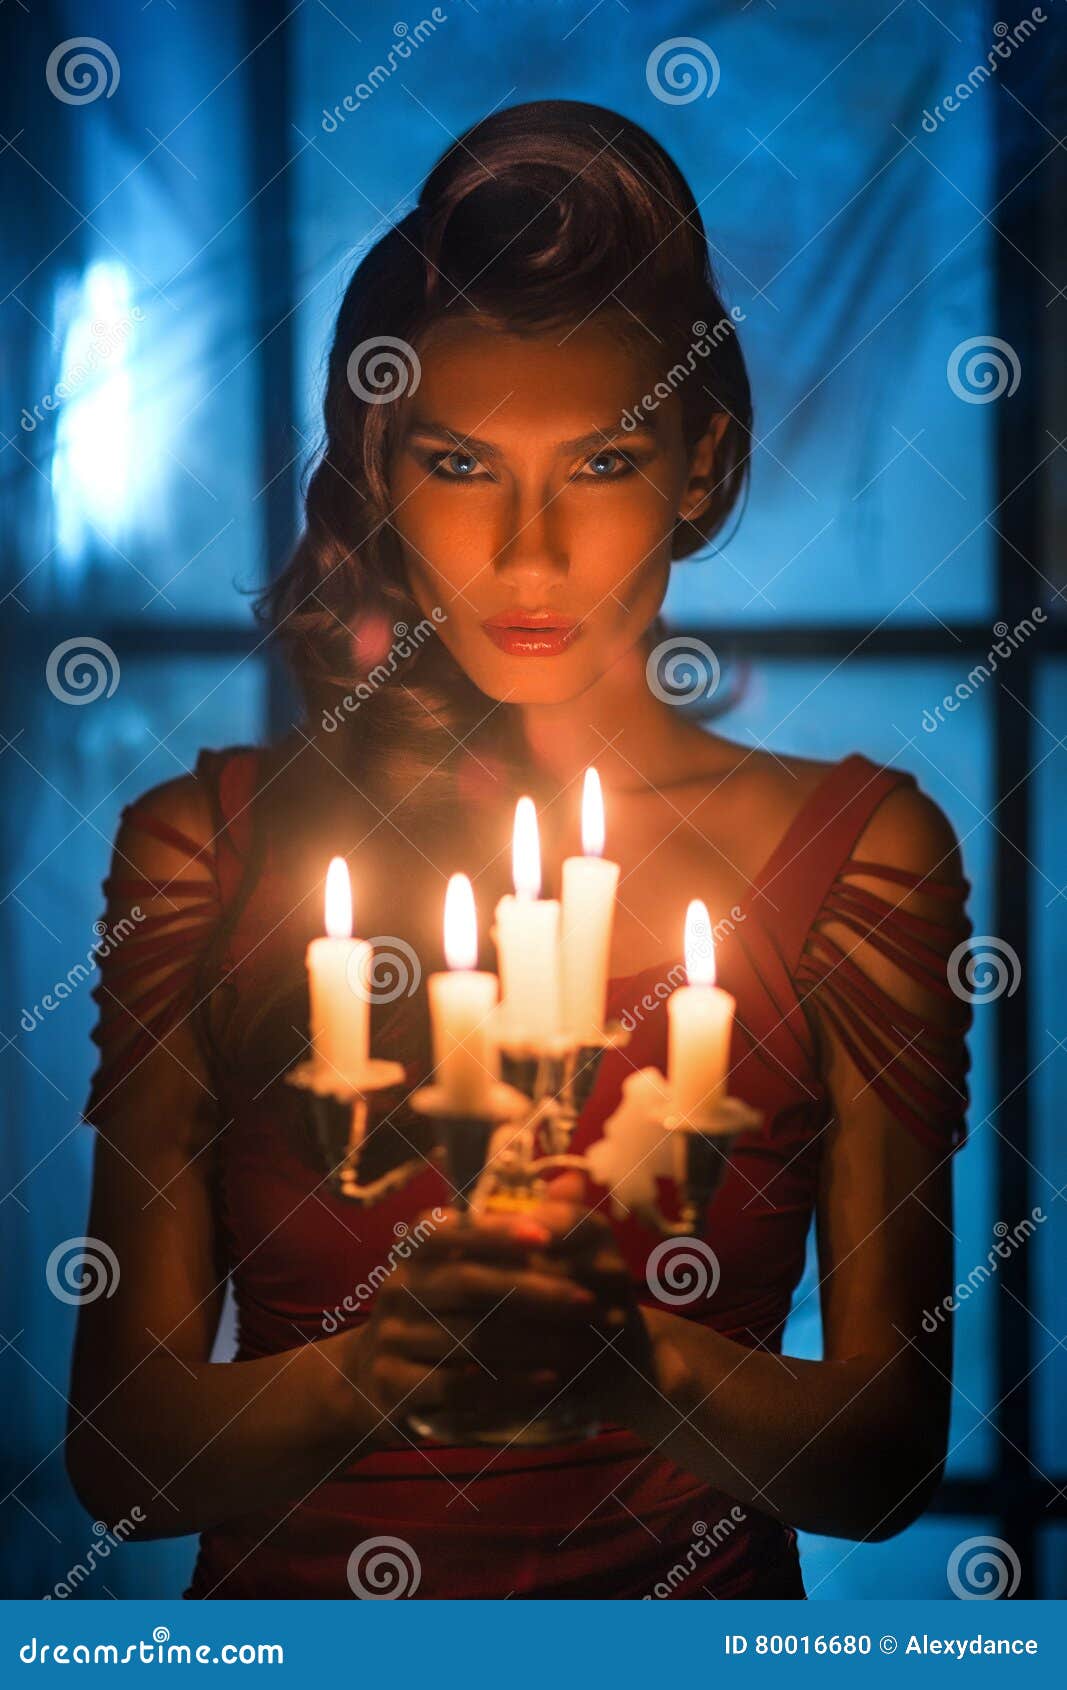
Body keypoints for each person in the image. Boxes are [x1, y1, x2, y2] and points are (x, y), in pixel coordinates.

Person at [66, 100, 973, 1599]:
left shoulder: (857, 856)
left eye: (603, 466)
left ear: (701, 459)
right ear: (379, 461)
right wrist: (381, 1370)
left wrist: (631, 1362)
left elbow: (885, 1458)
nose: (531, 553)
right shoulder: (206, 850)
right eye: (464, 465)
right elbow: (120, 1450)